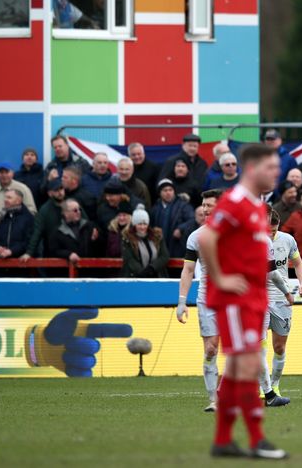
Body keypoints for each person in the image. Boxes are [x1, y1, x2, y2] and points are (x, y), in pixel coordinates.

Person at [196, 143, 289, 459]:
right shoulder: (235, 201)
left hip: (253, 298)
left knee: (238, 367)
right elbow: (206, 237)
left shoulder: (255, 205)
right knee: (248, 364)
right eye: (270, 167)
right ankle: (256, 439)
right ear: (251, 169)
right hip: (235, 300)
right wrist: (220, 278)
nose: (276, 173)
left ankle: (223, 441)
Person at [176, 189, 224, 412]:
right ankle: (213, 399)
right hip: (208, 299)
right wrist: (181, 301)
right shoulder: (196, 237)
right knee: (211, 349)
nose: (205, 209)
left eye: (209, 205)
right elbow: (187, 270)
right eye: (203, 205)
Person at [258, 207, 302, 401]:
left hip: (281, 301)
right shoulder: (255, 241)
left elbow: (298, 263)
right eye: (267, 230)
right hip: (260, 299)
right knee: (259, 346)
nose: (270, 234)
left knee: (279, 347)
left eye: (274, 230)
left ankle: (275, 385)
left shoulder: (287, 240)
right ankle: (264, 387)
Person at [22, 179, 70, 259]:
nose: (60, 192)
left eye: (61, 189)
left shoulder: (72, 203)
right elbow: (37, 232)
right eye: (56, 190)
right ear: (50, 193)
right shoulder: (45, 210)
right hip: (53, 251)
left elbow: (84, 222)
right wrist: (29, 253)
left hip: (72, 249)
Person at [150, 179, 194, 258]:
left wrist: (180, 229)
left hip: (177, 246)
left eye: (170, 190)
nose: (168, 193)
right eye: (165, 190)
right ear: (159, 193)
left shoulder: (183, 205)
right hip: (160, 247)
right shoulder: (155, 208)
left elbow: (192, 220)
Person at [0, 189, 34, 259]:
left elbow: (29, 241)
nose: (5, 200)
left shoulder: (28, 218)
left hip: (20, 261)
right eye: (5, 197)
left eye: (9, 197)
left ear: (18, 201)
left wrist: (11, 251)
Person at [120, 208, 169, 278]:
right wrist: (142, 272)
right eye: (139, 224)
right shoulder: (127, 238)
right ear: (134, 224)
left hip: (156, 275)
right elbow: (129, 258)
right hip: (136, 276)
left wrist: (152, 268)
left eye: (145, 224)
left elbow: (164, 256)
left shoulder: (157, 237)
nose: (142, 227)